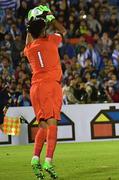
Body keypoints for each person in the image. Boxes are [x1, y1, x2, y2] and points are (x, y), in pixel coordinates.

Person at [24, 5, 66, 179]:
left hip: (35, 88)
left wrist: (30, 25)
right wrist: (50, 17)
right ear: (43, 31)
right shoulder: (51, 41)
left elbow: (28, 41)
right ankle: (48, 161)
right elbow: (62, 31)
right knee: (52, 123)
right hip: (50, 86)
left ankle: (35, 158)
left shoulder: (29, 49)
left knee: (42, 124)